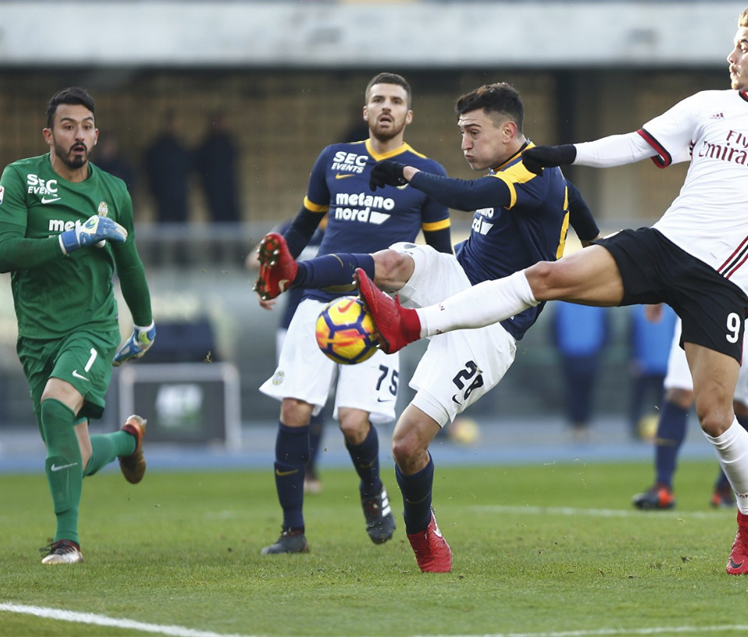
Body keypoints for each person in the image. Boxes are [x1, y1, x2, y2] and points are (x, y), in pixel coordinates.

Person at [351, 6, 748, 576]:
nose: (731, 54)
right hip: (662, 247)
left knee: (716, 417)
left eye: (743, 45)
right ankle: (414, 325)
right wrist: (565, 152)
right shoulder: (706, 106)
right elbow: (633, 145)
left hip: (720, 285)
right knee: (547, 277)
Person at [256, 82, 600, 572]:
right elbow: (577, 204)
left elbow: (468, 196)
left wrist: (407, 172)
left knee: (406, 443)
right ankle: (295, 273)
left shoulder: (531, 173)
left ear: (508, 131)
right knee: (396, 260)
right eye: (462, 132)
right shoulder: (542, 174)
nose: (465, 143)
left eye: (473, 132)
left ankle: (422, 533)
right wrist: (598, 246)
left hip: (493, 326)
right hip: (458, 277)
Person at [251, 73, 453, 556]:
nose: (386, 106)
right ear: (365, 112)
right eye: (378, 99)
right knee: (294, 409)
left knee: (352, 423)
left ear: (408, 115)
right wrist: (273, 274)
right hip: (318, 303)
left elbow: (442, 254)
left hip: (378, 315)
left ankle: (371, 490)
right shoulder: (334, 159)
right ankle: (292, 532)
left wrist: (444, 313)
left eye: (396, 101)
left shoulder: (427, 173)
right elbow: (303, 225)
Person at [0, 87, 157, 564]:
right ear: (49, 135)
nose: (78, 135)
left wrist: (144, 324)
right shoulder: (21, 178)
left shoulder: (113, 191)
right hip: (37, 335)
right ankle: (128, 441)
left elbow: (129, 263)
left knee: (56, 404)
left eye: (86, 127)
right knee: (74, 458)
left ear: (96, 135)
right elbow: (2, 253)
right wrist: (70, 238)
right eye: (67, 126)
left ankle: (68, 542)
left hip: (92, 327)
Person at [632, 210, 748, 514]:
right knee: (678, 392)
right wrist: (657, 294)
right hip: (700, 304)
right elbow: (675, 237)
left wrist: (744, 226)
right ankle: (662, 486)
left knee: (744, 406)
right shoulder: (709, 192)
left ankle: (725, 490)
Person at [246, 217, 328, 494]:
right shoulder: (292, 228)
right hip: (292, 328)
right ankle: (295, 468)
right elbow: (253, 259)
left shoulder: (341, 227)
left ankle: (310, 468)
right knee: (293, 400)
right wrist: (272, 266)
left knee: (317, 401)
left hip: (331, 329)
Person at [550, 302, 610, 440]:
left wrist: (601, 349)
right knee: (572, 391)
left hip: (590, 354)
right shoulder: (563, 305)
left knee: (587, 390)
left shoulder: (597, 305)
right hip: (570, 354)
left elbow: (606, 328)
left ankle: (585, 423)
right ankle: (574, 423)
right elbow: (554, 328)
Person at [626, 304, 676, 440]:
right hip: (643, 365)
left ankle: (664, 428)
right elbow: (631, 337)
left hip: (665, 365)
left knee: (663, 400)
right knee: (639, 399)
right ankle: (635, 427)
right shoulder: (637, 312)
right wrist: (634, 358)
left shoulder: (671, 312)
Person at [194, 111, 242, 225]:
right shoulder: (207, 145)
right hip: (214, 192)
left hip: (229, 190)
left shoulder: (229, 142)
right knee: (217, 222)